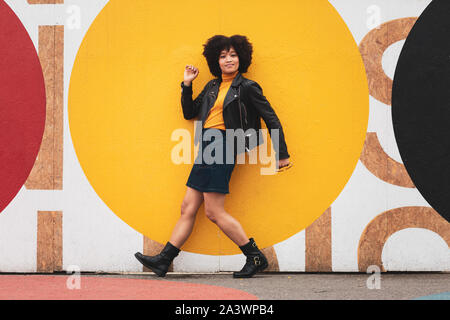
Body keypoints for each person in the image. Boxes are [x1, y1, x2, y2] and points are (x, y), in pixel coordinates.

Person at [135, 35, 291, 278]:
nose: (228, 59)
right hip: (207, 146)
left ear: (241, 58)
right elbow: (190, 113)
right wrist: (187, 85)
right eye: (223, 56)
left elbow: (271, 118)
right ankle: (164, 260)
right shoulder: (211, 87)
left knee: (213, 212)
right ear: (216, 61)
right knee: (187, 207)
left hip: (226, 146)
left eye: (233, 55)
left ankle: (255, 256)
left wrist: (281, 154)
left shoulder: (248, 88)